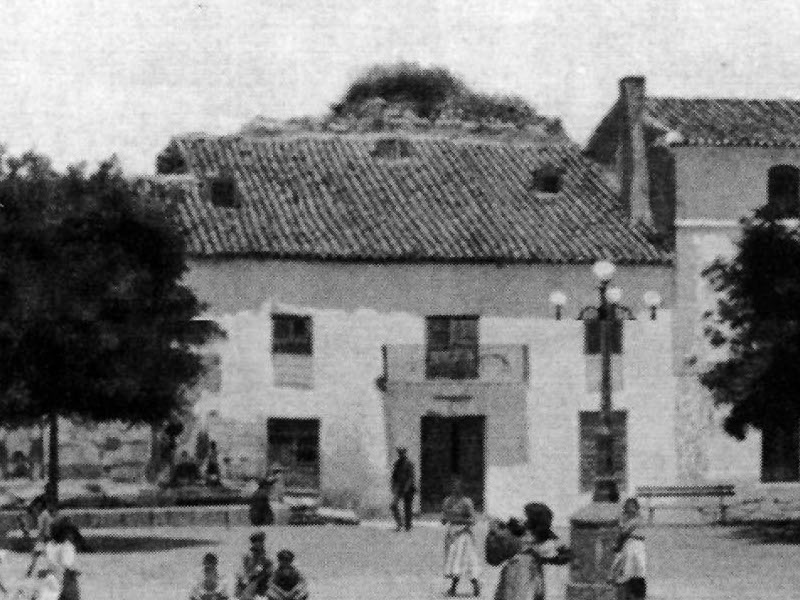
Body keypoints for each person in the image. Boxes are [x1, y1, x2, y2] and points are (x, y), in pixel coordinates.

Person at [493, 503, 571, 600]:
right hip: (513, 570)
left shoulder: (547, 536)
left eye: (526, 515)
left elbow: (566, 555)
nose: (523, 518)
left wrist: (544, 559)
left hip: (529, 573)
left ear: (534, 519)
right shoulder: (519, 530)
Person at [441, 478, 480, 597]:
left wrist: (457, 520)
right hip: (452, 534)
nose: (455, 490)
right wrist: (446, 519)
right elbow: (443, 519)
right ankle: (453, 588)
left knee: (467, 561)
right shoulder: (447, 501)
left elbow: (473, 520)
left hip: (463, 534)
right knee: (454, 560)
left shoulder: (466, 502)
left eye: (458, 488)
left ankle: (475, 585)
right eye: (453, 487)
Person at [609, 498, 647, 600]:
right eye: (627, 510)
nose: (629, 512)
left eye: (632, 509)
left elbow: (624, 533)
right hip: (630, 546)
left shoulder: (637, 520)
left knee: (635, 571)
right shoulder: (627, 519)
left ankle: (635, 594)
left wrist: (617, 544)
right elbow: (622, 533)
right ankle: (630, 594)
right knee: (631, 571)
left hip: (635, 545)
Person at [45, 518, 81, 600]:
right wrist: (74, 571)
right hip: (66, 582)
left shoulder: (49, 545)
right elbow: (67, 566)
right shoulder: (68, 546)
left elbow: (51, 562)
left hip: (52, 581)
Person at [235, 531, 273, 600]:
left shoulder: (266, 557)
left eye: (260, 541)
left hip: (262, 582)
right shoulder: (247, 556)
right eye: (255, 542)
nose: (257, 544)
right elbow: (243, 570)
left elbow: (269, 572)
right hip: (249, 580)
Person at [390, 447, 416, 532]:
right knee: (393, 505)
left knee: (407, 507)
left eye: (402, 453)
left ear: (405, 453)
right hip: (399, 488)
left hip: (408, 489)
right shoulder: (397, 464)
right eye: (399, 453)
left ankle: (408, 525)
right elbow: (394, 476)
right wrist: (393, 486)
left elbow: (411, 477)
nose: (401, 455)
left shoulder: (409, 464)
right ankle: (399, 523)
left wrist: (406, 488)